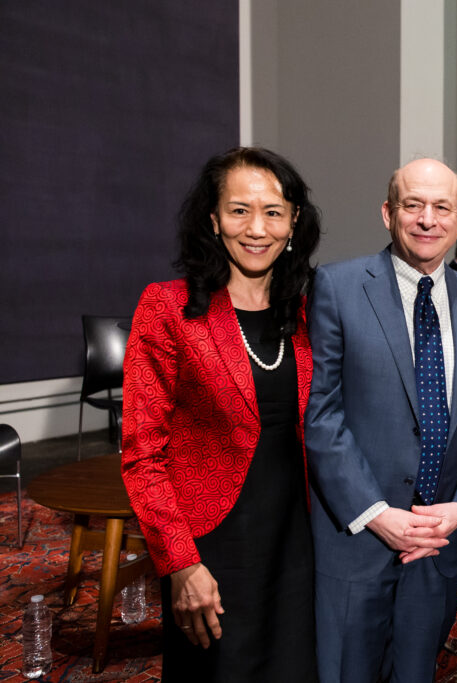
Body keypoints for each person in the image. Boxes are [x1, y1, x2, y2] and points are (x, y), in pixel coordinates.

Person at [121, 147, 321, 681]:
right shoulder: (169, 308)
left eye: (274, 212)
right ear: (213, 219)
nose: (257, 228)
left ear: (294, 221)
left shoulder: (309, 309)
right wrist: (181, 564)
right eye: (239, 210)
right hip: (212, 547)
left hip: (297, 543)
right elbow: (143, 454)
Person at [304, 158, 457, 682]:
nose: (426, 219)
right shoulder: (337, 287)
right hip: (359, 537)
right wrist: (376, 513)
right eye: (412, 205)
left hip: (438, 543)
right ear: (387, 213)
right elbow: (322, 415)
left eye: (441, 207)